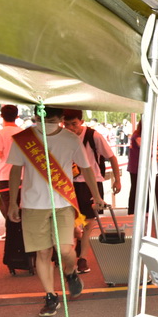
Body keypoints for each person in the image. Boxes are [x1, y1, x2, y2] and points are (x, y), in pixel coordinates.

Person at [6, 106, 105, 317]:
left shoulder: (70, 139)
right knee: (42, 252)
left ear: (61, 118)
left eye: (52, 119)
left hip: (63, 203)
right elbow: (15, 170)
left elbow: (86, 168)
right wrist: (13, 202)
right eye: (43, 118)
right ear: (36, 116)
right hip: (33, 204)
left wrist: (97, 196)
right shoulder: (24, 139)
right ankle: (50, 296)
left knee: (64, 249)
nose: (47, 123)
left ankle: (70, 271)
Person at [62, 109, 121, 274]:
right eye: (66, 124)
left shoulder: (93, 136)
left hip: (91, 184)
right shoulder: (61, 137)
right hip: (67, 184)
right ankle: (75, 244)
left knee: (89, 223)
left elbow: (112, 157)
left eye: (74, 124)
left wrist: (117, 179)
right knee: (69, 222)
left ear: (81, 121)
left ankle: (82, 258)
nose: (70, 128)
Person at [0, 105, 24, 234]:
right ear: (17, 116)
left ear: (1, 116)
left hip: (4, 175)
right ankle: (17, 232)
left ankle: (13, 234)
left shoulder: (0, 133)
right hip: (22, 175)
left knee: (7, 205)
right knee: (18, 203)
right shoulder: (23, 133)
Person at [126, 122, 142, 215]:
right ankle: (132, 211)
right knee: (135, 188)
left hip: (136, 166)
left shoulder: (136, 134)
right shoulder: (137, 136)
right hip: (136, 166)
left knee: (135, 188)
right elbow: (144, 147)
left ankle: (133, 210)